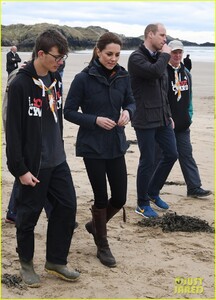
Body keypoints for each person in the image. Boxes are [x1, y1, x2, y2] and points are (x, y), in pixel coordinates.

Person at [6, 29, 80, 287]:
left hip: (58, 161)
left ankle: (56, 260)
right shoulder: (19, 84)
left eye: (63, 58)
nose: (60, 62)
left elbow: (56, 116)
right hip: (33, 165)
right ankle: (26, 263)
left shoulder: (55, 78)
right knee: (28, 216)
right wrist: (19, 169)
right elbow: (12, 131)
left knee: (67, 208)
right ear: (41, 53)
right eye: (57, 57)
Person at [64, 32, 136, 268]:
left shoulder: (123, 76)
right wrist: (94, 120)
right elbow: (69, 111)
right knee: (102, 198)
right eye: (109, 54)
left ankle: (95, 225)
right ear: (98, 51)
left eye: (117, 54)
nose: (113, 58)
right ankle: (102, 245)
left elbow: (131, 101)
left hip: (116, 143)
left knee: (120, 197)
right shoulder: (83, 78)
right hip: (92, 146)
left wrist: (128, 112)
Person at [128, 23, 178, 218]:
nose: (165, 39)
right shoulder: (136, 57)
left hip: (162, 117)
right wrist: (166, 55)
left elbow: (162, 89)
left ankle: (153, 192)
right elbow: (154, 72)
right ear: (150, 34)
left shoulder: (159, 57)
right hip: (144, 118)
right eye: (162, 35)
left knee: (171, 154)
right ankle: (141, 203)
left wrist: (169, 115)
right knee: (148, 160)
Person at [165, 40, 211, 197]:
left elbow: (189, 98)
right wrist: (165, 118)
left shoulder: (186, 73)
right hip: (164, 125)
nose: (177, 55)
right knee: (159, 158)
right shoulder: (162, 73)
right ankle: (150, 190)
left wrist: (189, 115)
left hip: (183, 124)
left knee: (186, 155)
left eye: (180, 52)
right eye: (174, 52)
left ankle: (194, 187)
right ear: (168, 53)